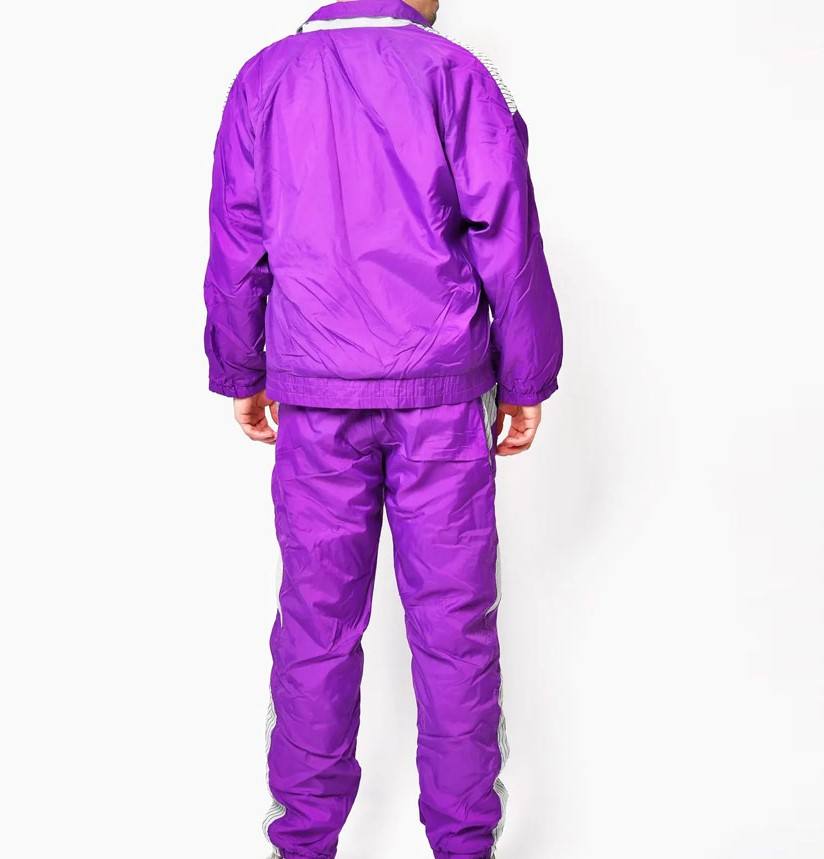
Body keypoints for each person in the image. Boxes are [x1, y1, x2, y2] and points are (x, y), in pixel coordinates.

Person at [203, 0, 562, 856]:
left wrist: (242, 368)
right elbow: (507, 231)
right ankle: (465, 846)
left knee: (315, 627)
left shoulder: (264, 78)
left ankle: (302, 842)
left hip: (317, 396)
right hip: (441, 399)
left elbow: (237, 238)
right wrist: (526, 375)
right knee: (455, 628)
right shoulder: (456, 73)